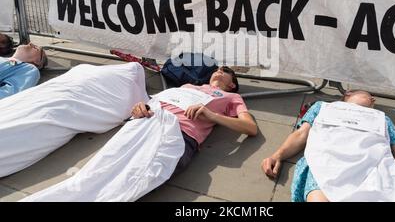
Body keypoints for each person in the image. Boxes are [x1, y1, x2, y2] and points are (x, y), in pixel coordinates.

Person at [21, 65, 258, 202]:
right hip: (145, 120)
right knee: (98, 171)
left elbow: (250, 128)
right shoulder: (187, 86)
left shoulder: (230, 98)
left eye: (225, 71)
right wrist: (139, 106)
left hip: (178, 134)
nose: (218, 71)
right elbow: (152, 101)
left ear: (232, 84)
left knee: (132, 181)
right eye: (217, 68)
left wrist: (213, 116)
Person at [261, 90, 395, 202]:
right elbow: (301, 134)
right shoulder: (321, 107)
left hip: (375, 170)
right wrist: (277, 155)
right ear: (347, 94)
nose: (372, 97)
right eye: (368, 94)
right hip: (327, 163)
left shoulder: (382, 118)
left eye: (373, 98)